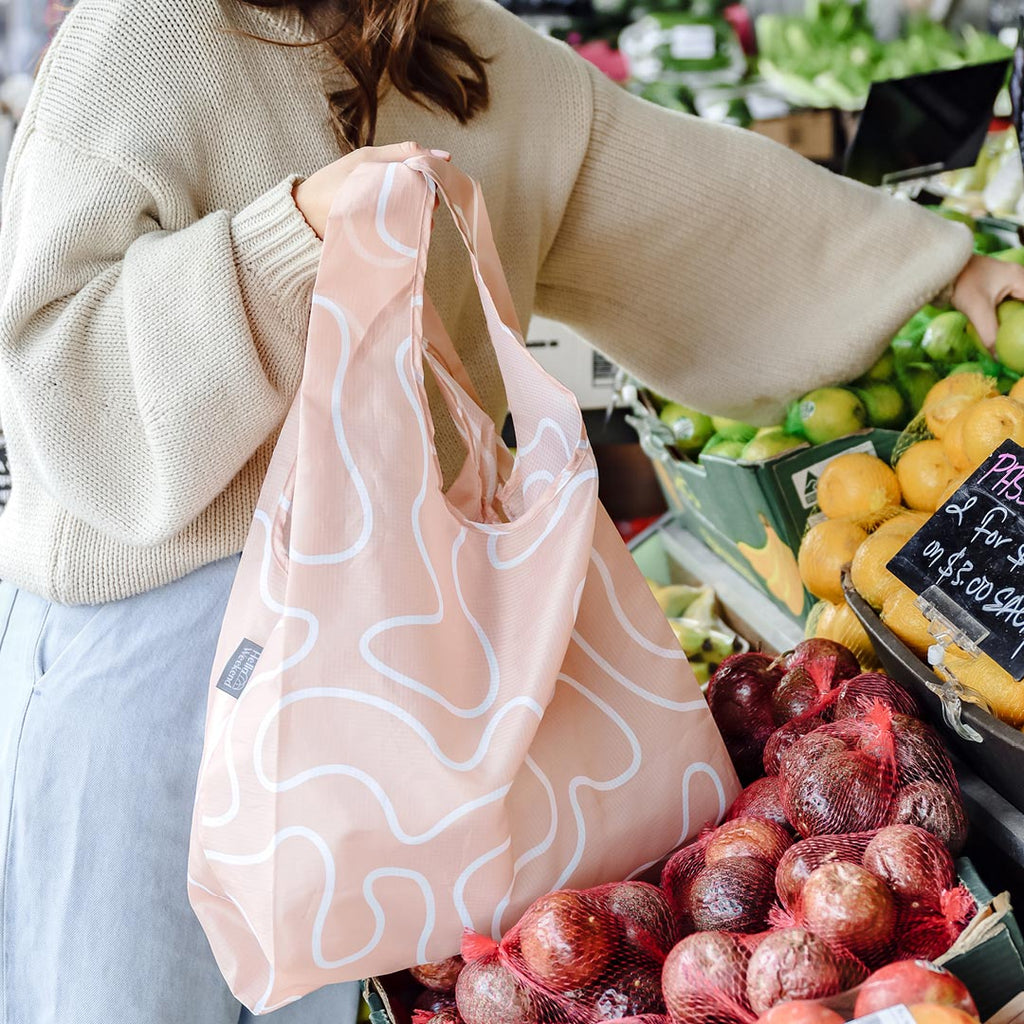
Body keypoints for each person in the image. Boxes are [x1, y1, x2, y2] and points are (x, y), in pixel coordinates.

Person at [0, 0, 1020, 1021]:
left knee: (313, 993)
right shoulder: (143, 32)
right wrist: (292, 232)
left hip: (394, 659)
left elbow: (689, 202)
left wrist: (937, 268)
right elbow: (56, 373)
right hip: (164, 664)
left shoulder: (450, 42)